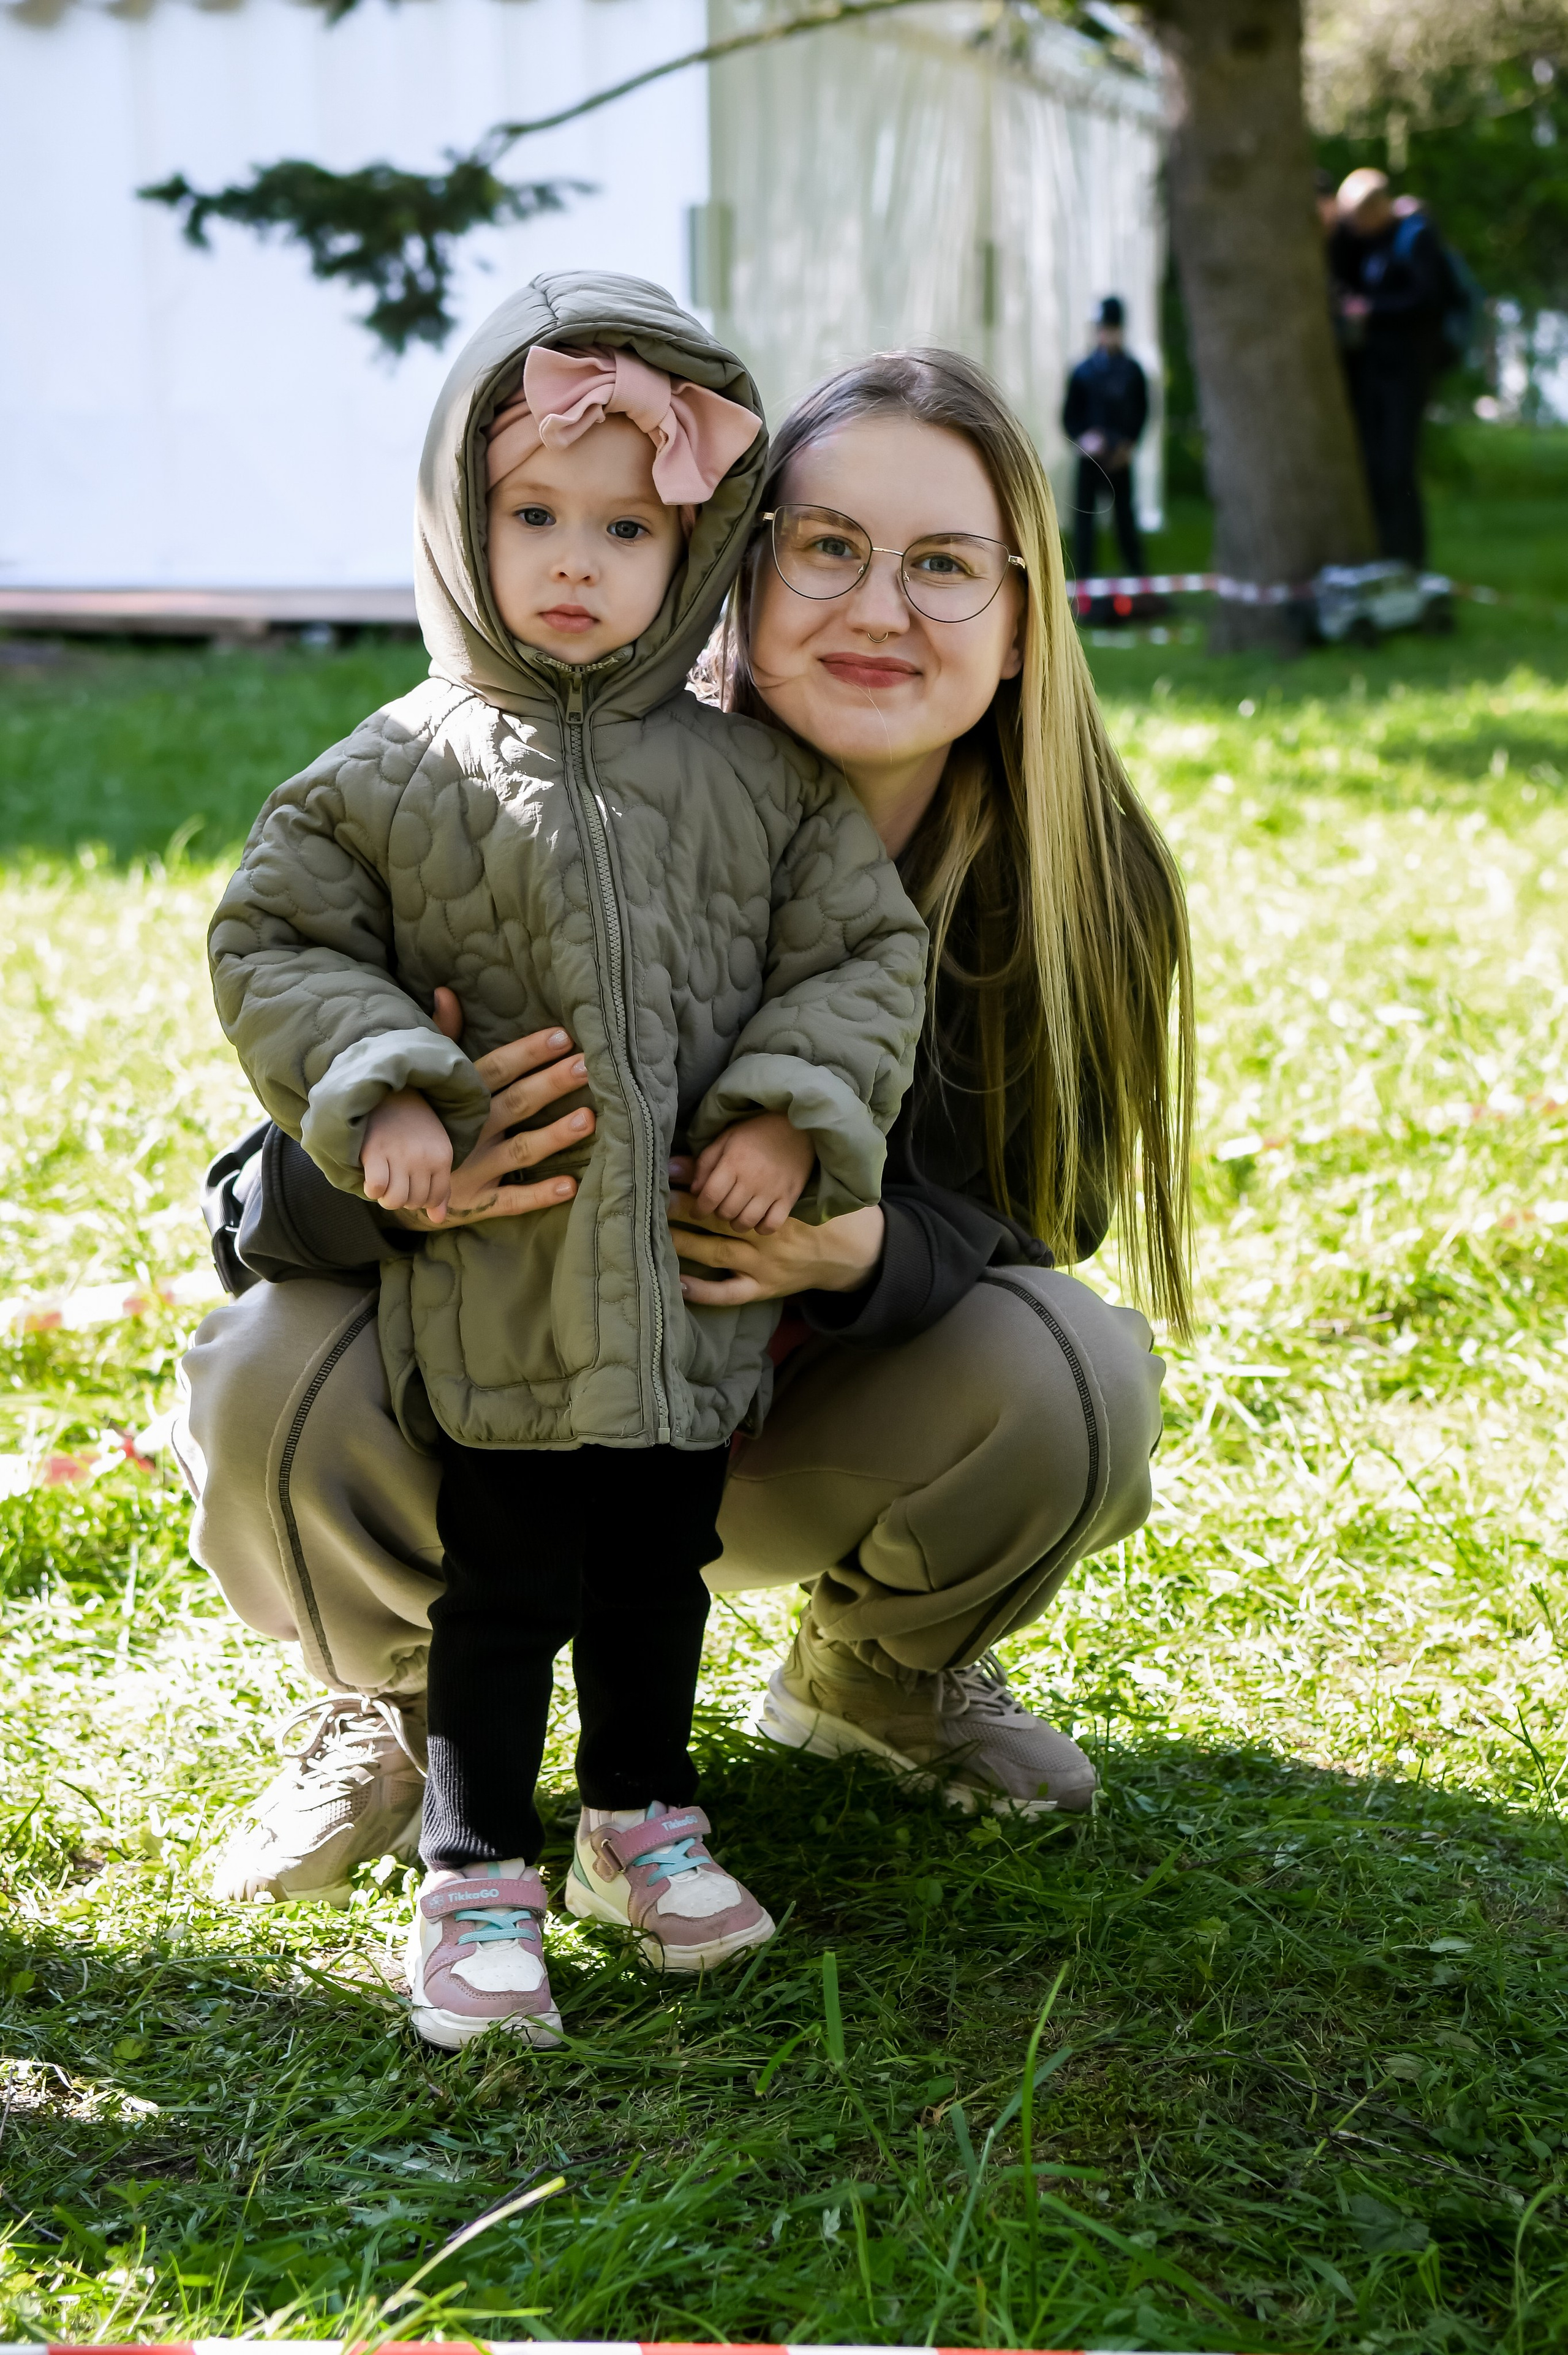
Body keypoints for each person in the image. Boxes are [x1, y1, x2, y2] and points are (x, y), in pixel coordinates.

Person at [178, 347, 1193, 1990]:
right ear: (736, 558)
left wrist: (858, 1256)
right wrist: (400, 1158)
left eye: (943, 563)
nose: (881, 603)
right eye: (827, 545)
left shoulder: (1075, 872)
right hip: (505, 1390)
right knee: (267, 1360)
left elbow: (1037, 1218)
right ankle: (400, 1698)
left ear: (1021, 615)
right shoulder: (530, 781)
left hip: (790, 1418)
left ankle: (881, 1673)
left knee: (1073, 1368)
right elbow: (246, 1192)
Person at [203, 271, 929, 2050]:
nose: (578, 560)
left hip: (684, 1304)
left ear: (694, 543)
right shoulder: (389, 770)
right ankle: (470, 1864)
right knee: (499, 1585)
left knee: (651, 1574)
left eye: (625, 524)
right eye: (535, 514)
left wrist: (783, 1110)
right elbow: (276, 936)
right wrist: (383, 1083)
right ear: (466, 516)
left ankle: (640, 1819)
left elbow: (858, 954)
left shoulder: (758, 786)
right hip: (498, 1296)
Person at [1329, 168, 1450, 567]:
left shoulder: (1414, 237)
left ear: (1378, 209)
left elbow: (1426, 297)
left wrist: (1373, 311)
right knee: (1373, 463)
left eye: (1358, 218)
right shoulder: (1364, 242)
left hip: (1405, 370)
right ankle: (1382, 551)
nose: (1356, 228)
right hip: (1373, 370)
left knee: (1397, 466)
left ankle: (1409, 559)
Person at [1061, 296, 1149, 587]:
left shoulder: (1133, 371)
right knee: (1085, 525)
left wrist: (1129, 444)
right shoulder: (1083, 371)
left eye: (1112, 328)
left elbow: (1142, 411)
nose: (1107, 334)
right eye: (1103, 328)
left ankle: (1139, 583)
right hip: (1090, 461)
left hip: (1119, 460)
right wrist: (1083, 440)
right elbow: (1070, 417)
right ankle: (1083, 586)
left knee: (1126, 521)